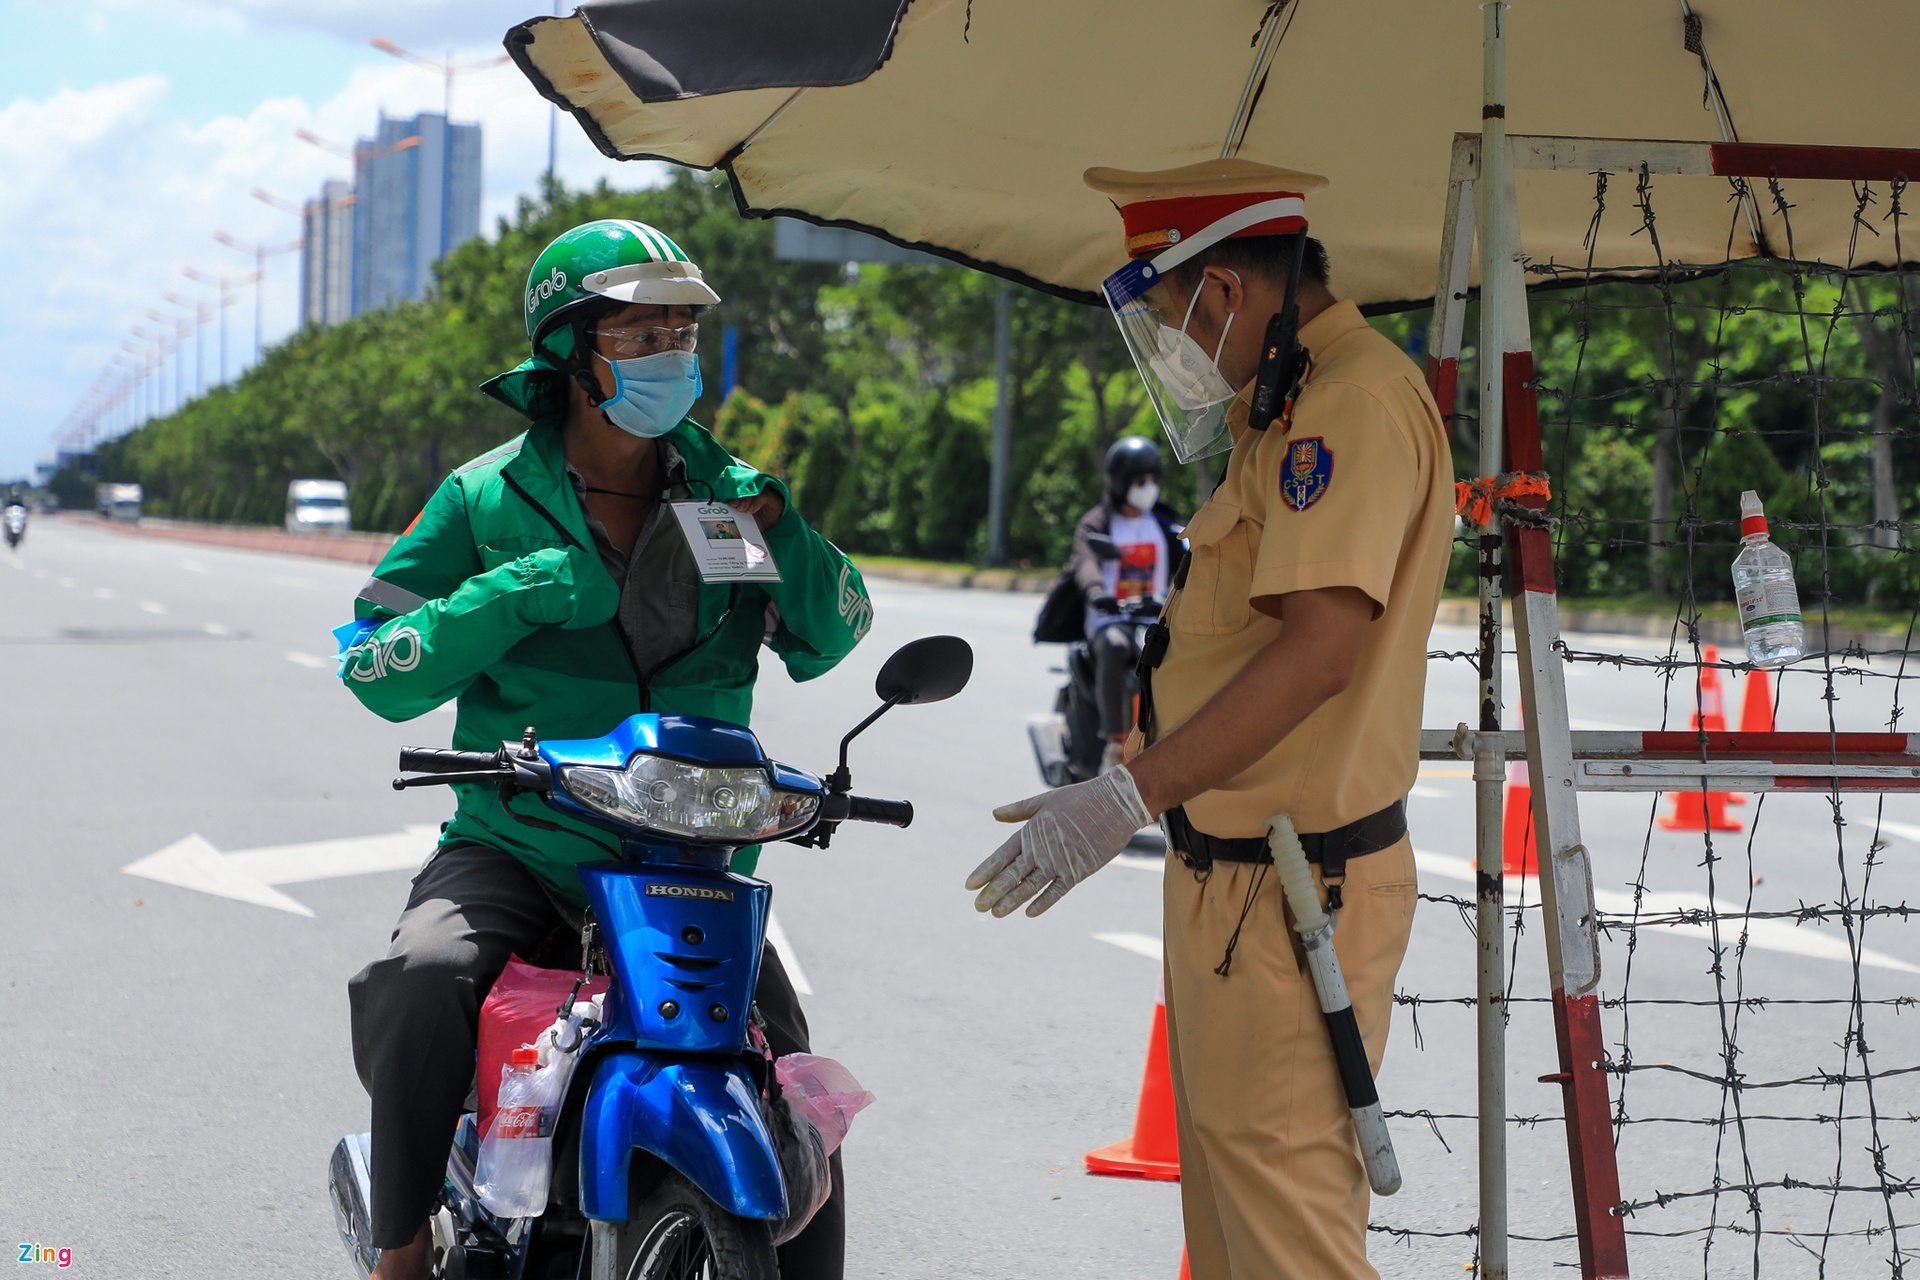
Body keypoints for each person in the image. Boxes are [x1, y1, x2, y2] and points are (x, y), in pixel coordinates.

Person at [337, 218, 874, 1280]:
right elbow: (371, 660)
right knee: (420, 973)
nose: (673, 348)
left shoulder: (732, 494)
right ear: (570, 351)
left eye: (682, 326)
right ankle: (402, 1249)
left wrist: (790, 531)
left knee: (789, 1074)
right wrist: (513, 592)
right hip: (522, 844)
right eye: (642, 330)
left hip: (689, 868)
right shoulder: (484, 499)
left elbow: (834, 633)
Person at [967, 160, 1454, 1279]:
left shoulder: (1350, 405)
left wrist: (1125, 796)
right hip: (1240, 879)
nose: (1168, 345)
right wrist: (1135, 773)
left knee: (1290, 1244)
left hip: (1296, 889)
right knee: (1236, 1235)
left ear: (1224, 290)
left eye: (1167, 313)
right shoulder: (1279, 404)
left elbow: (1320, 653)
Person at [1067, 437, 1182, 771]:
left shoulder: (1163, 523)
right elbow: (1085, 560)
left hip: (1153, 618)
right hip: (1109, 619)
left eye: (1152, 481)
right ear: (1120, 483)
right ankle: (1116, 743)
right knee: (1115, 646)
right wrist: (1096, 591)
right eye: (1139, 481)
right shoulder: (1099, 522)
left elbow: (1192, 554)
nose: (1147, 489)